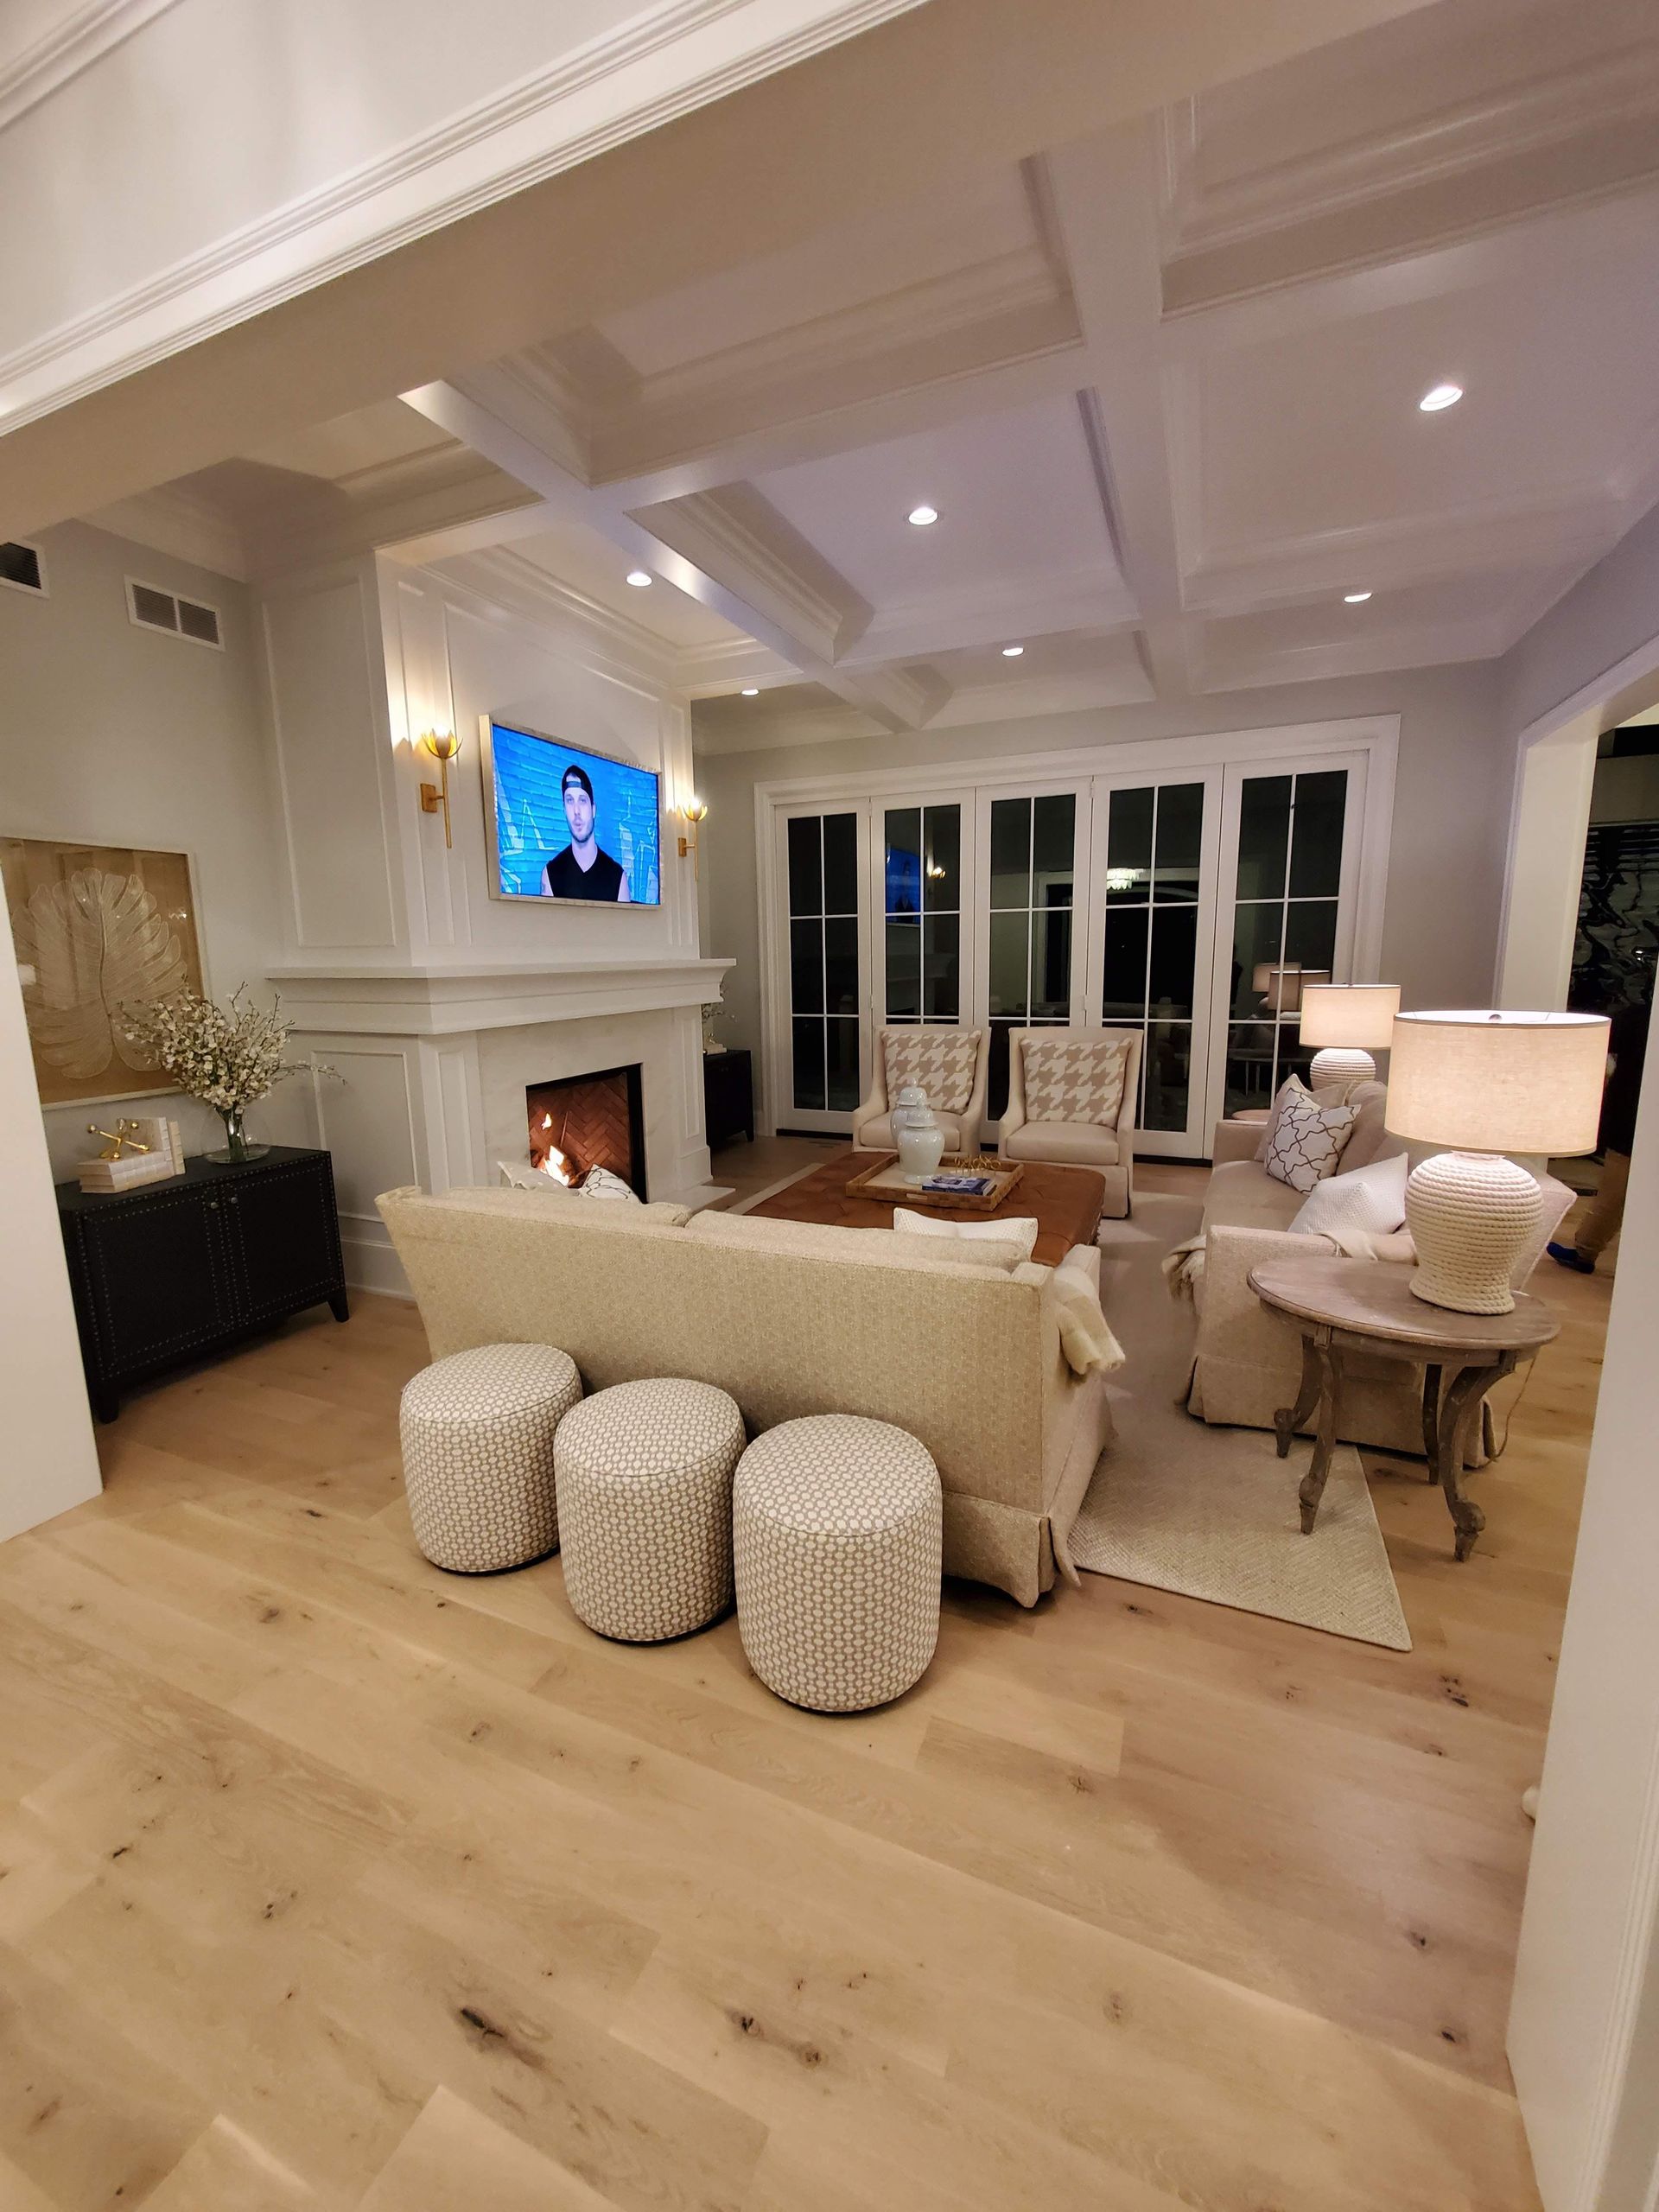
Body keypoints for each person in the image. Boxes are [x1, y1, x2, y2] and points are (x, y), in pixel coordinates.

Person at [1549, 972, 1649, 1274]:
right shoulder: (1639, 1018)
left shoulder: (1639, 1018)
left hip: (1629, 1122)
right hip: (1629, 1121)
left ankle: (1585, 1251)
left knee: (1614, 1195)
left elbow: (1601, 1044)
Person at [541, 764, 631, 902]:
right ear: (564, 809)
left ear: (593, 809)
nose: (576, 811)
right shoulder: (551, 873)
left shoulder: (617, 877)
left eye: (582, 800)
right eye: (570, 800)